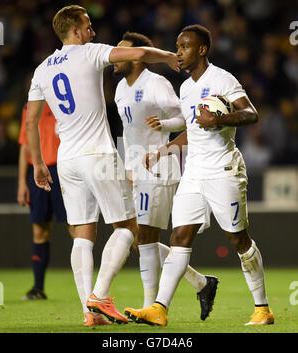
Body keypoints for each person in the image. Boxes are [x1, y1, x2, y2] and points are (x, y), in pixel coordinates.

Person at [25, 5, 180, 327]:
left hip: (66, 159)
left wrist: (38, 163)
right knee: (127, 227)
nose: (93, 31)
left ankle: (89, 312)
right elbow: (139, 52)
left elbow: (31, 121)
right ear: (76, 31)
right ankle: (99, 296)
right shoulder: (90, 52)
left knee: (82, 234)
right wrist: (167, 56)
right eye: (89, 25)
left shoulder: (42, 69)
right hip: (97, 154)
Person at [124, 24, 274, 327]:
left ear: (201, 50)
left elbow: (251, 113)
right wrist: (163, 150)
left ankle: (262, 308)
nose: (178, 52)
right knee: (179, 236)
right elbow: (193, 132)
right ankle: (159, 308)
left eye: (185, 46)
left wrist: (219, 117)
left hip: (223, 170)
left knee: (238, 239)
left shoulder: (222, 79)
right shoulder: (186, 87)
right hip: (194, 171)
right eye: (178, 46)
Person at [113, 31, 218, 320]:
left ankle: (152, 306)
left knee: (145, 235)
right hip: (136, 164)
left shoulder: (156, 83)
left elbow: (186, 118)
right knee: (137, 236)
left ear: (138, 57)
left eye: (123, 52)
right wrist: (127, 166)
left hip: (160, 164)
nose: (116, 57)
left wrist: (164, 123)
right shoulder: (120, 88)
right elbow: (129, 130)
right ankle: (201, 282)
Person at [18, 103, 73, 301]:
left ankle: (89, 288)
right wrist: (22, 182)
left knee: (75, 227)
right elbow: (25, 145)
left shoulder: (63, 101)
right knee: (40, 231)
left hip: (63, 170)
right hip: (37, 171)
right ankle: (38, 288)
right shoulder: (29, 107)